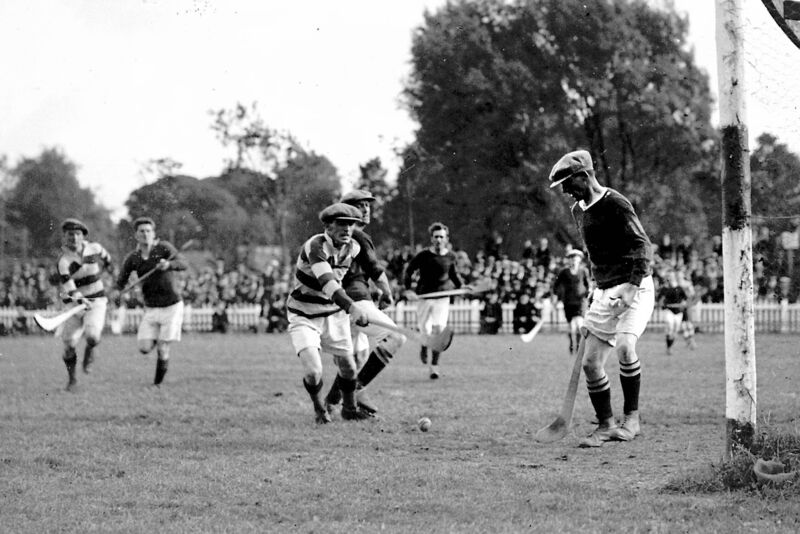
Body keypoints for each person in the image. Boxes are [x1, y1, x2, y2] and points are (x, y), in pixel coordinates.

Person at [549, 149, 655, 447]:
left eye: (569, 184)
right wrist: (596, 294)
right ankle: (606, 425)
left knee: (624, 346)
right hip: (604, 290)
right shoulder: (578, 211)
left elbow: (642, 246)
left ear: (585, 175)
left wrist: (632, 286)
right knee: (591, 363)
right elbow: (596, 256)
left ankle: (631, 419)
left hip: (635, 285)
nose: (567, 192)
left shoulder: (616, 203)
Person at [286, 203, 373, 424]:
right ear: (328, 226)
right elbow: (328, 283)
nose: (347, 229)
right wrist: (352, 307)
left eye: (351, 225)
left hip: (333, 314)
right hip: (304, 315)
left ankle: (350, 409)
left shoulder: (353, 248)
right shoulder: (315, 246)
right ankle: (319, 409)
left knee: (349, 366)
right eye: (341, 224)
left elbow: (344, 278)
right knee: (314, 372)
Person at [323, 190, 406, 416]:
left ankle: (332, 404)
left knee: (355, 358)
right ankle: (358, 389)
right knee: (394, 337)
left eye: (368, 206)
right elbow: (374, 269)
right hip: (356, 301)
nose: (367, 210)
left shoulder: (340, 237)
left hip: (342, 303)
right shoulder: (358, 235)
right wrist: (386, 292)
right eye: (361, 205)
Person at [115, 217, 188, 386]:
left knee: (163, 348)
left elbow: (183, 263)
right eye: (142, 231)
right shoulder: (133, 258)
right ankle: (157, 338)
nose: (145, 234)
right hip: (151, 307)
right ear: (136, 235)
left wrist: (168, 265)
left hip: (171, 305)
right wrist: (118, 292)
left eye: (148, 231)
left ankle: (157, 385)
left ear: (153, 233)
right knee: (144, 348)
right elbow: (121, 281)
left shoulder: (163, 248)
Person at [56, 218, 113, 391]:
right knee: (69, 345)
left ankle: (90, 351)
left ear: (83, 236)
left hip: (96, 302)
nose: (74, 238)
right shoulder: (64, 262)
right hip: (75, 305)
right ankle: (72, 380)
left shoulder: (94, 248)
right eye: (70, 234)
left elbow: (108, 261)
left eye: (77, 234)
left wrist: (101, 279)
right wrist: (80, 299)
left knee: (92, 336)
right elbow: (70, 289)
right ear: (65, 237)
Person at [403, 222, 464, 379]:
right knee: (425, 330)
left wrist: (462, 287)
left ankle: (434, 366)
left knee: (438, 330)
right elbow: (409, 271)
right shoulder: (423, 255)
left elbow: (454, 275)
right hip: (424, 297)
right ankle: (424, 345)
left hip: (442, 298)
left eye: (441, 237)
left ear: (446, 238)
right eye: (436, 237)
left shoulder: (451, 256)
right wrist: (408, 289)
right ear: (431, 238)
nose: (438, 240)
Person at [551, 249, 591, 354]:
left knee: (578, 324)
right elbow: (556, 285)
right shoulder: (564, 272)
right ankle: (571, 344)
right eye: (571, 259)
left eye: (576, 259)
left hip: (580, 301)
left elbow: (588, 285)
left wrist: (589, 294)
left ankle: (577, 345)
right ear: (569, 260)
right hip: (568, 301)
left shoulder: (583, 271)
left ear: (580, 260)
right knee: (570, 326)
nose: (573, 261)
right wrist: (555, 297)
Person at [656, 271, 688, 355]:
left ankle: (669, 348)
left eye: (672, 276)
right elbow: (660, 301)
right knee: (670, 326)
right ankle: (668, 347)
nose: (670, 278)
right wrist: (662, 303)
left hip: (678, 311)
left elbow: (685, 299)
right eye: (669, 276)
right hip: (669, 310)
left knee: (675, 330)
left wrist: (683, 304)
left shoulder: (679, 288)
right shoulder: (664, 289)